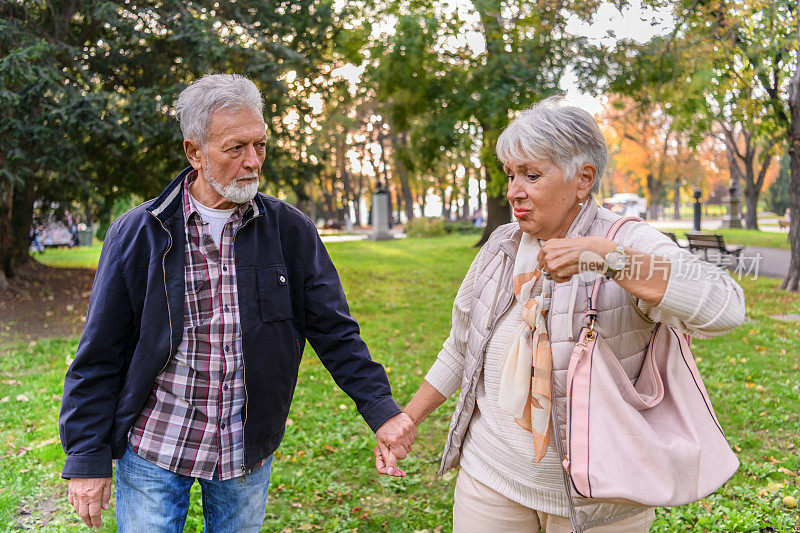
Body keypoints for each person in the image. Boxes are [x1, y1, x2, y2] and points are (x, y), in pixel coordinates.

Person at [59, 74, 416, 532]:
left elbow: (334, 331)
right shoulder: (138, 233)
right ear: (194, 152)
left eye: (260, 145)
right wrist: (86, 457)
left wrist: (381, 410)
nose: (252, 162)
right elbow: (99, 353)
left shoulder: (290, 231)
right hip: (156, 444)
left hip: (244, 448)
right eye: (235, 148)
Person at [381, 96, 745, 532]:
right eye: (511, 175)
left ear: (583, 179)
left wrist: (608, 259)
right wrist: (408, 419)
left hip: (600, 501)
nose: (514, 190)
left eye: (532, 175)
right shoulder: (501, 246)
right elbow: (462, 347)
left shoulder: (624, 242)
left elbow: (726, 305)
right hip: (490, 475)